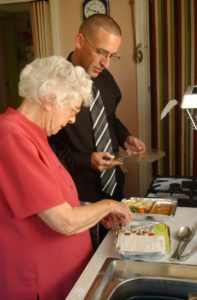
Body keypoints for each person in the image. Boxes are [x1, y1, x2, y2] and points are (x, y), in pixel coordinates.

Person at [0, 56, 132, 300]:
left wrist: (93, 212)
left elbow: (47, 204)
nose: (72, 119)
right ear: (50, 100)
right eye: (72, 110)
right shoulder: (12, 136)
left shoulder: (33, 134)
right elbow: (63, 221)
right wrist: (108, 205)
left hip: (63, 277)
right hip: (41, 282)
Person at [48, 15, 145, 236]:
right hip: (77, 197)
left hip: (113, 186)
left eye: (112, 55)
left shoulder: (105, 78)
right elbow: (44, 150)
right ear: (80, 41)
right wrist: (85, 160)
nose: (106, 62)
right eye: (101, 52)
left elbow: (110, 118)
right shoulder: (52, 84)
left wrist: (125, 137)